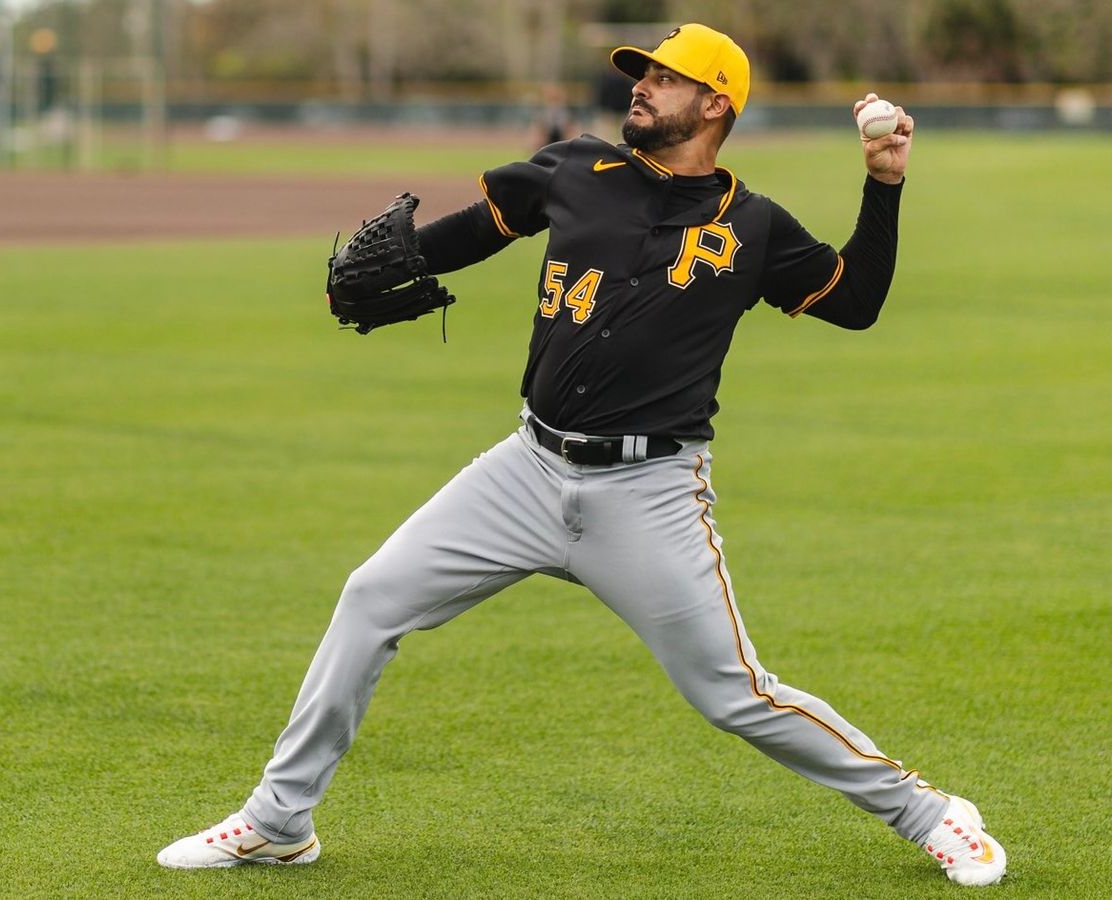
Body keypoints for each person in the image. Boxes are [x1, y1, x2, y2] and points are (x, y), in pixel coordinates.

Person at [157, 23, 1007, 887]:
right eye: (639, 73)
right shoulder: (575, 169)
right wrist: (391, 263)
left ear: (716, 103)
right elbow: (475, 231)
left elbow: (855, 302)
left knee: (733, 692)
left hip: (650, 494)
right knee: (371, 598)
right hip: (525, 471)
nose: (640, 86)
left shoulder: (754, 227)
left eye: (664, 78)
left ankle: (928, 814)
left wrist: (885, 184)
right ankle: (278, 820)